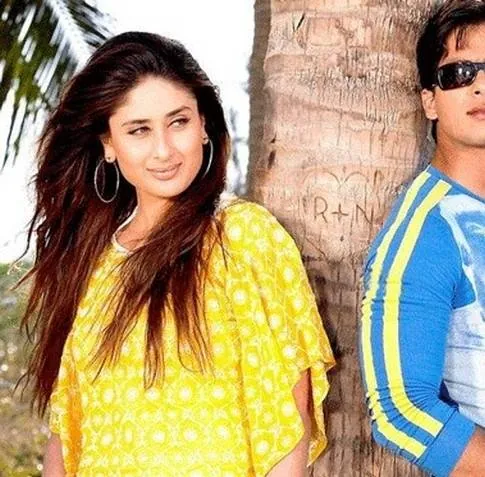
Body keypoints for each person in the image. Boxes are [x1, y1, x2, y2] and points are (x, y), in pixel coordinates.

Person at [19, 32, 335, 476]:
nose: (164, 150)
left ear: (203, 124)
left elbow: (287, 417)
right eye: (139, 130)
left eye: (178, 122)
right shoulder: (94, 263)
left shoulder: (242, 237)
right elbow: (68, 436)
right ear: (108, 143)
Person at [359, 1, 485, 476]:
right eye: (459, 73)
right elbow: (400, 412)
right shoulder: (427, 229)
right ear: (430, 100)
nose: (480, 85)